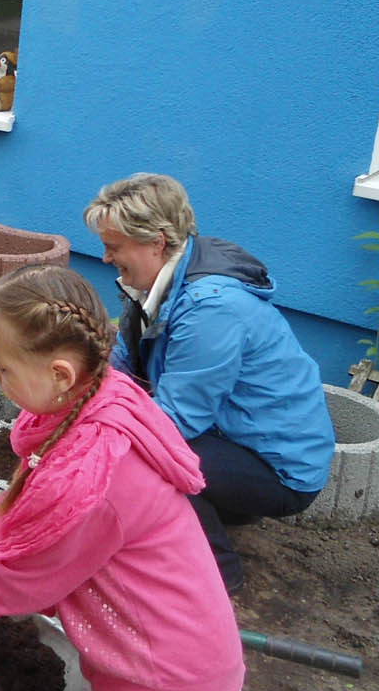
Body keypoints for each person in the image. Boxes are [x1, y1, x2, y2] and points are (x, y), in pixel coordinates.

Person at [0, 265, 245, 691]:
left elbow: (13, 581)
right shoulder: (90, 403)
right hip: (160, 658)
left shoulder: (93, 474)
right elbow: (17, 517)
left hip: (165, 682)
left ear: (60, 374)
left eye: (2, 370)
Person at [84, 172, 334, 592]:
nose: (106, 258)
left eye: (113, 247)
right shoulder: (160, 283)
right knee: (127, 440)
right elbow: (124, 366)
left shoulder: (211, 309)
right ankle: (218, 506)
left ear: (156, 242)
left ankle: (218, 576)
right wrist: (84, 398)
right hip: (236, 439)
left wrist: (91, 439)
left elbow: (175, 423)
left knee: (149, 458)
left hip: (281, 467)